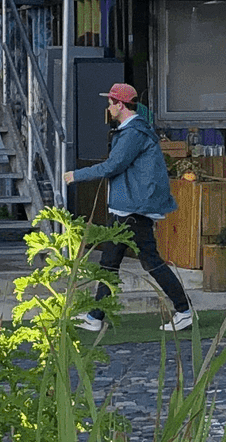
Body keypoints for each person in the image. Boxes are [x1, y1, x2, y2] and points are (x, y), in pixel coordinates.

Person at [65, 81, 193, 335]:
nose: (108, 107)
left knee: (148, 262)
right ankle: (95, 316)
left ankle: (184, 310)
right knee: (111, 262)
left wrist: (75, 176)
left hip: (131, 210)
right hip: (130, 208)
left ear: (120, 105)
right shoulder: (133, 130)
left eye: (111, 102)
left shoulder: (133, 133)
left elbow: (113, 166)